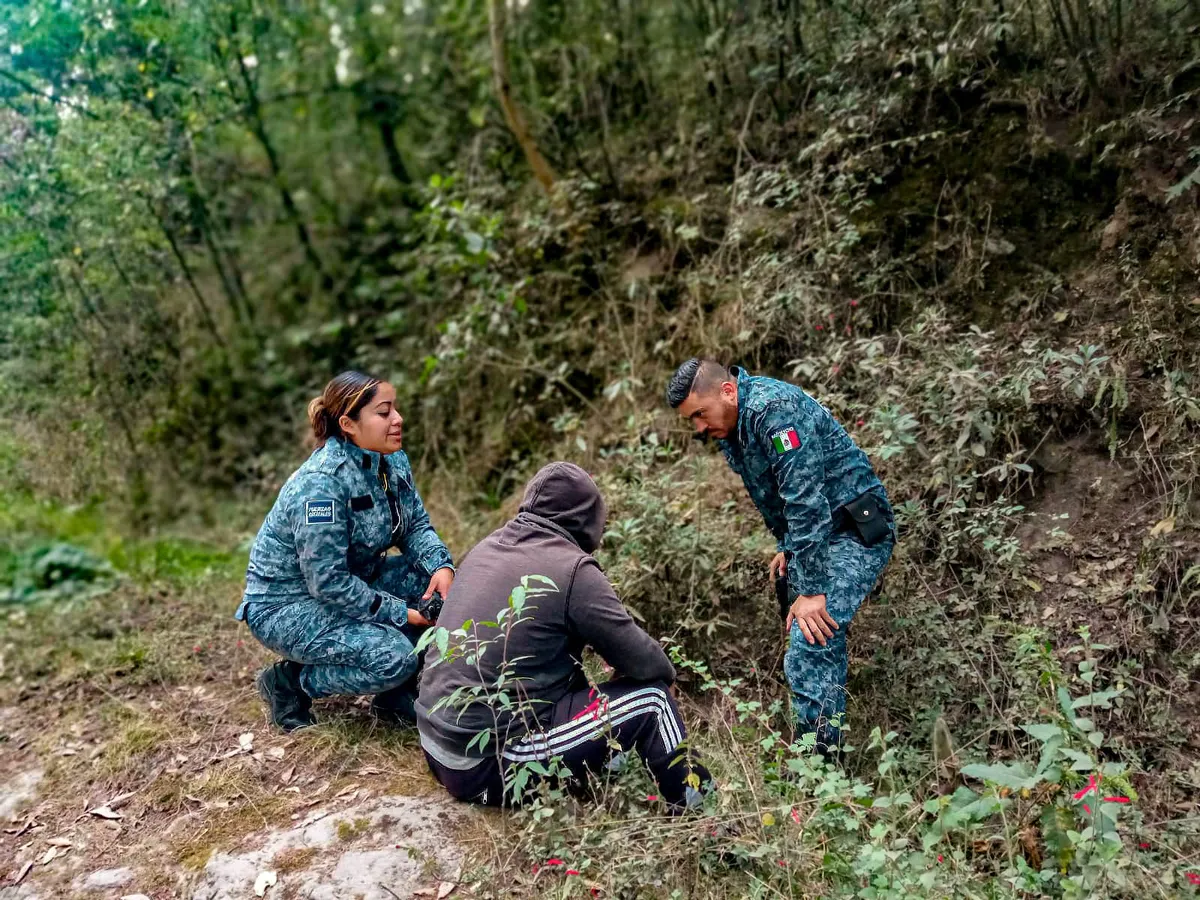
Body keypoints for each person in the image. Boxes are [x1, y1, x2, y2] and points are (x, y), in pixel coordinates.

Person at [416, 462, 712, 812]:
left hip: (436, 745)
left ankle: (610, 771)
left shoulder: (487, 547)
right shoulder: (572, 568)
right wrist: (658, 674)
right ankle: (703, 816)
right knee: (653, 701)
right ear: (589, 519)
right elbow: (644, 660)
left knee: (566, 671)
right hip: (487, 766)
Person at [666, 358, 895, 756]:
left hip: (856, 529)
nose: (699, 428)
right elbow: (776, 493)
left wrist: (811, 589)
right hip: (823, 532)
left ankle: (820, 765)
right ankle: (824, 730)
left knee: (810, 634)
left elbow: (806, 500)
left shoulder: (774, 410)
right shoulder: (732, 426)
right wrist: (789, 548)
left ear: (727, 391)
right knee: (804, 619)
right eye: (692, 420)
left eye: (700, 414)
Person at [237, 371, 455, 732]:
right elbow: (327, 582)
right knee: (393, 657)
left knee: (439, 589)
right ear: (348, 424)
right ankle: (290, 683)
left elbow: (414, 526)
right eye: (384, 413)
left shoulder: (392, 461)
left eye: (395, 409)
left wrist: (441, 567)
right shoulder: (321, 485)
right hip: (287, 604)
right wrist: (400, 613)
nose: (398, 419)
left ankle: (394, 697)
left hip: (355, 581)